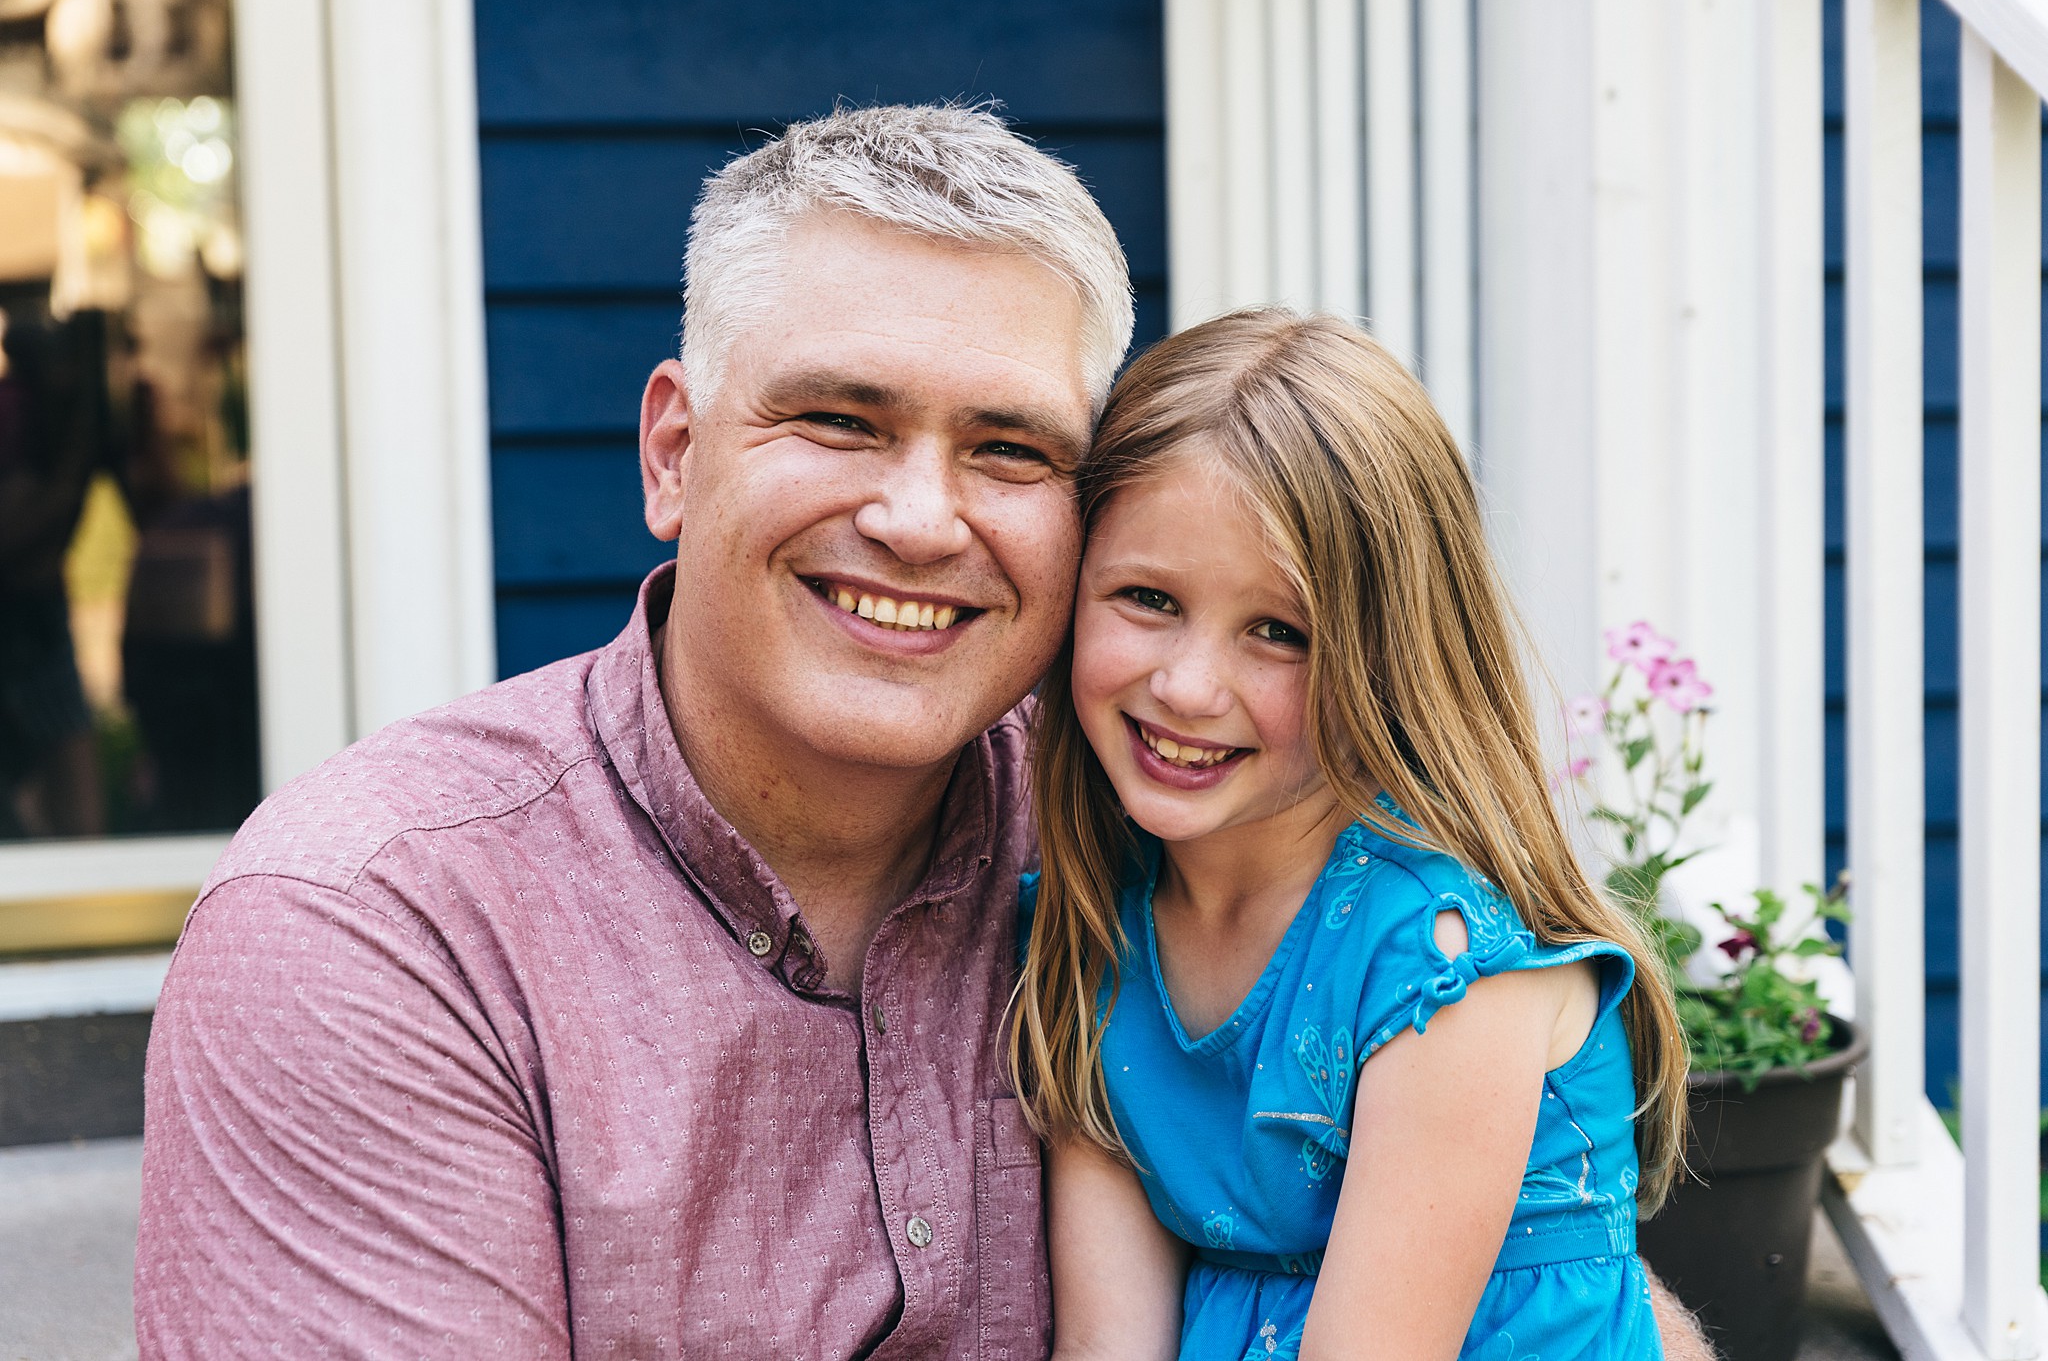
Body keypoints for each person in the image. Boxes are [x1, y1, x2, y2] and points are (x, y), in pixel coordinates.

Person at [136, 106, 1713, 1359]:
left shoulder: (1146, 836)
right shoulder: (373, 934)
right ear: (676, 453)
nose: (916, 515)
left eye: (1010, 446)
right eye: (839, 417)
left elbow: (1548, 1267)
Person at [1014, 309, 1690, 1360]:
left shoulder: (1440, 964)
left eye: (1277, 632)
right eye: (1146, 597)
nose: (1188, 684)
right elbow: (1108, 1347)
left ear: (1389, 658)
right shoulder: (1092, 925)